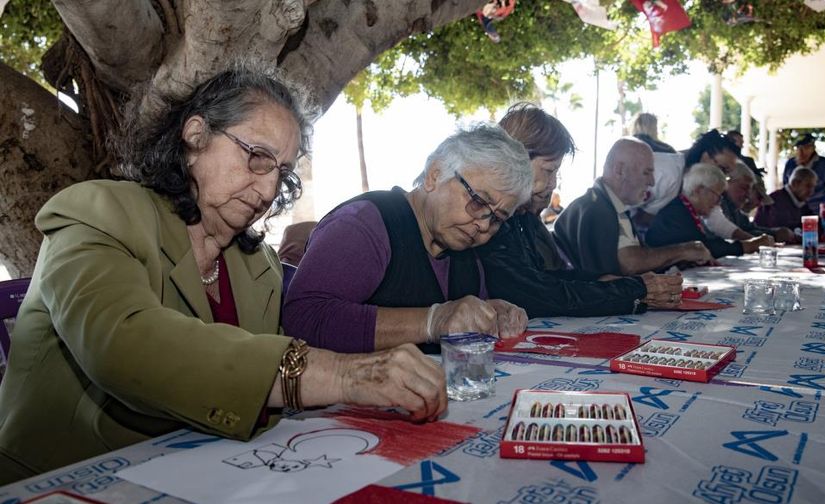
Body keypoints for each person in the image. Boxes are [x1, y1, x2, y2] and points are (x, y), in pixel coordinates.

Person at [0, 66, 447, 484]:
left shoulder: (259, 266)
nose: (269, 190)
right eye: (256, 156)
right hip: (65, 479)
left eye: (282, 172)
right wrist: (346, 376)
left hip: (202, 474)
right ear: (195, 136)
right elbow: (121, 344)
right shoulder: (97, 212)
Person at [283, 124, 531, 354]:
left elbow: (461, 325)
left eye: (497, 218)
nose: (484, 225)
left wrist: (488, 313)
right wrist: (431, 321)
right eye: (478, 201)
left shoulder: (468, 257)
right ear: (435, 175)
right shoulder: (363, 225)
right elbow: (303, 318)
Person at [477, 103, 684, 318]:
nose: (553, 183)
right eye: (549, 170)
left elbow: (546, 277)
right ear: (514, 160)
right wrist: (635, 290)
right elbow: (536, 294)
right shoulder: (495, 217)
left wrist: (610, 282)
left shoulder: (522, 217)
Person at [553, 137, 712, 277]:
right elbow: (629, 263)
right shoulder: (595, 208)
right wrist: (683, 251)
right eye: (646, 172)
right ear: (620, 170)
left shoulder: (610, 205)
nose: (652, 182)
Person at [646, 163, 773, 258]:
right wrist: (747, 246)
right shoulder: (676, 214)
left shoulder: (685, 209)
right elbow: (706, 248)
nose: (718, 202)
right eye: (717, 195)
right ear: (699, 190)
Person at [721, 161, 794, 243]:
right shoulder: (719, 205)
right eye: (744, 188)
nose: (747, 195)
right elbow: (730, 237)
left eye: (749, 190)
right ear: (727, 183)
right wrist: (767, 237)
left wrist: (775, 234)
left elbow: (748, 229)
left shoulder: (735, 209)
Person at [782, 133, 825, 212]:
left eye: (805, 148)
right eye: (798, 148)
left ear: (813, 148)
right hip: (794, 215)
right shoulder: (790, 164)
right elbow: (786, 190)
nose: (801, 152)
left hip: (819, 213)